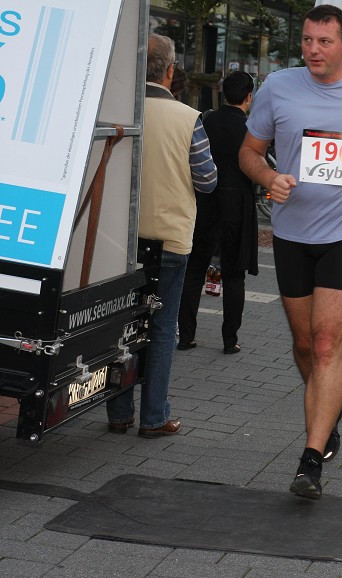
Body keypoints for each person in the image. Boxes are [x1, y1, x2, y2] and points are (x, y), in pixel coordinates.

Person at [239, 4, 342, 499]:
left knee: (328, 343)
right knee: (305, 345)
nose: (312, 49)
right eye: (308, 40)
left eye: (324, 42)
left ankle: (310, 460)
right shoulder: (279, 87)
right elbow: (248, 152)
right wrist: (269, 177)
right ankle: (328, 410)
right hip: (292, 234)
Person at [106, 34, 217, 438]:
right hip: (170, 238)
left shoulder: (118, 111)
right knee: (162, 327)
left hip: (117, 241)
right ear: (170, 71)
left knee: (120, 325)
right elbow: (207, 180)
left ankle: (118, 412)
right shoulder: (190, 119)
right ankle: (154, 416)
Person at [178, 71, 259, 355]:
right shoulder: (251, 130)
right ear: (249, 97)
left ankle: (186, 335)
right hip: (238, 205)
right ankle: (229, 340)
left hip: (205, 202)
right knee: (234, 275)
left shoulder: (206, 120)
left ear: (224, 93)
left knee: (194, 270)